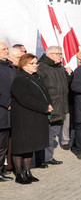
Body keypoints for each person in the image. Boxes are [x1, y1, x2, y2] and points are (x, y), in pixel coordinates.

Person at [10, 54, 52, 184]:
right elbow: (25, 99)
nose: (35, 66)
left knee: (30, 146)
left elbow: (45, 93)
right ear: (23, 65)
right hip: (23, 118)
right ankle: (19, 173)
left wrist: (49, 105)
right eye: (32, 64)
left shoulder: (36, 77)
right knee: (21, 147)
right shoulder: (20, 79)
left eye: (36, 63)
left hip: (34, 117)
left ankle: (28, 171)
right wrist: (44, 107)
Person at [35, 46, 71, 167]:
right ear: (50, 54)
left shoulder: (60, 67)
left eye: (61, 54)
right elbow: (39, 88)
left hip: (61, 106)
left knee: (53, 134)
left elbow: (66, 85)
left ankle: (48, 157)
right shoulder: (42, 67)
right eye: (58, 54)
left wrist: (69, 75)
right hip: (49, 106)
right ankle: (41, 159)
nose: (61, 56)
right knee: (44, 134)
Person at [0, 42, 16, 182]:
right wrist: (7, 103)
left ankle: (1, 170)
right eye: (4, 49)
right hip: (2, 112)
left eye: (7, 49)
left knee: (4, 145)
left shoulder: (11, 67)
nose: (7, 51)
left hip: (11, 113)